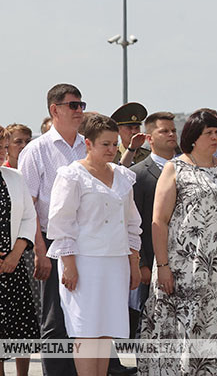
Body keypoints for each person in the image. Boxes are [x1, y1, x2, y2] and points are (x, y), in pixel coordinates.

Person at [138, 109, 217, 375]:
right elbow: (159, 221)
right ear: (193, 137)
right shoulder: (175, 168)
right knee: (189, 326)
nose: (215, 137)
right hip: (186, 268)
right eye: (208, 133)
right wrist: (163, 265)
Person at [46, 114, 142, 376]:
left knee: (105, 333)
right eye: (105, 145)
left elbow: (132, 224)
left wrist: (134, 263)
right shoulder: (72, 175)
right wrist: (69, 265)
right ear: (88, 143)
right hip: (84, 263)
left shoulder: (123, 176)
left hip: (116, 263)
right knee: (86, 332)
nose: (112, 150)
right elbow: (61, 223)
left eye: (114, 144)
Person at [19, 83, 87, 376]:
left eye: (81, 105)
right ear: (54, 109)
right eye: (73, 105)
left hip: (89, 242)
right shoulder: (37, 150)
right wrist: (40, 251)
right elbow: (28, 206)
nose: (79, 111)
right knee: (56, 318)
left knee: (85, 317)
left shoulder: (89, 145)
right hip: (51, 241)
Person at [0, 124, 40, 376]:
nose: (3, 151)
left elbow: (28, 218)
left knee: (12, 336)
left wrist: (16, 252)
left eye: (4, 146)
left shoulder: (15, 177)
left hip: (12, 267)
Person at [129, 113, 178, 337]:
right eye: (164, 131)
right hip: (152, 263)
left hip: (183, 260)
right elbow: (134, 222)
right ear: (149, 138)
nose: (171, 134)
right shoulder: (138, 174)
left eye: (173, 130)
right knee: (150, 322)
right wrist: (142, 264)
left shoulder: (187, 168)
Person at [112, 103, 150, 167]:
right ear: (118, 130)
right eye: (129, 128)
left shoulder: (148, 156)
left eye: (137, 128)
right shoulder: (112, 155)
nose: (134, 132)